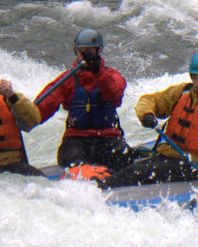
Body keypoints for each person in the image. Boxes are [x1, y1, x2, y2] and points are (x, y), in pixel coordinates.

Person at [99, 50, 198, 192]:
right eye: (195, 78)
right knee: (124, 158)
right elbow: (149, 100)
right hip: (168, 154)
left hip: (193, 164)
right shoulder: (182, 92)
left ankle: (101, 189)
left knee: (135, 172)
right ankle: (102, 184)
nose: (197, 84)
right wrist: (146, 114)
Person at [34, 28, 132, 172]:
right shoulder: (67, 79)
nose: (85, 56)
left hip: (108, 139)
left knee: (125, 158)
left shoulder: (112, 75)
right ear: (76, 52)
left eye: (89, 52)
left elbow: (114, 95)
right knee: (76, 162)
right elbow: (42, 107)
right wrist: (23, 113)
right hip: (76, 141)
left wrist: (98, 73)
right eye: (82, 52)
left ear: (99, 51)